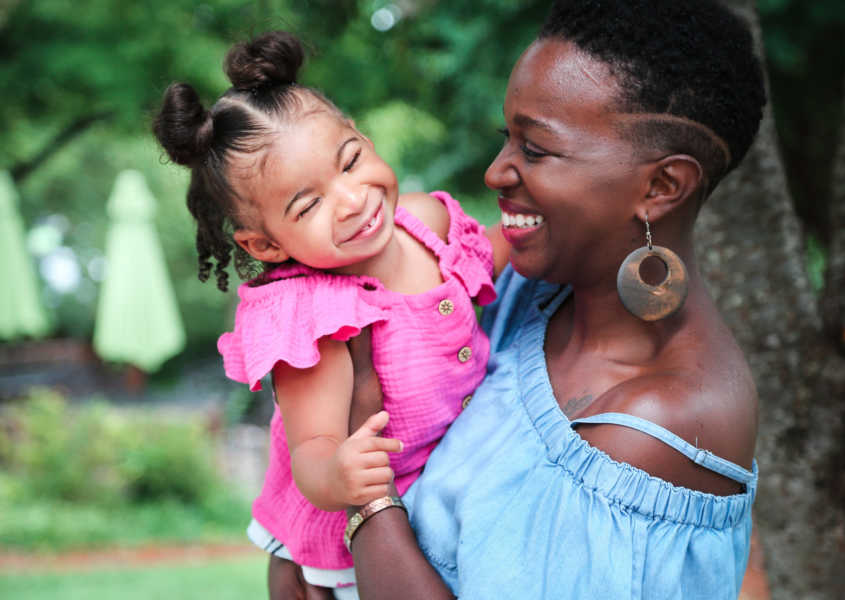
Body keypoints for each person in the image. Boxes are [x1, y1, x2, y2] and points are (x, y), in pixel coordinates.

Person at [345, 0, 766, 598]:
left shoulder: (648, 432)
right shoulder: (534, 290)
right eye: (505, 139)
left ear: (662, 187)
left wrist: (361, 495)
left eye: (535, 150)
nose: (496, 172)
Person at [152, 32, 506, 600]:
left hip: (456, 491)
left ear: (364, 140)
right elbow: (312, 451)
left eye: (351, 161)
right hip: (355, 544)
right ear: (266, 245)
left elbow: (496, 253)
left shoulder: (424, 222)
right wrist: (341, 473)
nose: (352, 199)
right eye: (309, 204)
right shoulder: (312, 316)